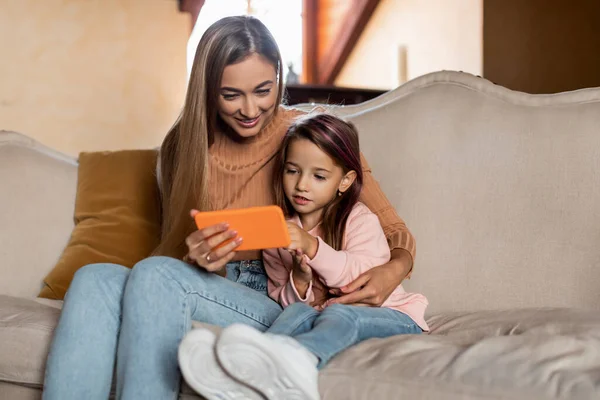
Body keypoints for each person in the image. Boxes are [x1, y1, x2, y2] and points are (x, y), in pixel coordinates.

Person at [43, 16, 417, 400]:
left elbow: (392, 231)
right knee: (92, 279)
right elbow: (176, 260)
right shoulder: (182, 147)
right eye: (231, 95)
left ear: (277, 77)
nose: (250, 109)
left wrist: (393, 270)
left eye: (263, 90)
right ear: (207, 89)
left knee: (157, 275)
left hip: (280, 294)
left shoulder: (308, 139)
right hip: (217, 285)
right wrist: (203, 257)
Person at [179, 114, 429, 400]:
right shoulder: (281, 232)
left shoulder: (359, 219)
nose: (301, 185)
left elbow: (358, 279)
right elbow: (281, 298)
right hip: (325, 313)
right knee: (297, 313)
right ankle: (247, 371)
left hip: (392, 314)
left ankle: (301, 359)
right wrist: (298, 282)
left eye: (318, 176)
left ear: (345, 181)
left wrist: (313, 247)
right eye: (292, 171)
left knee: (340, 313)